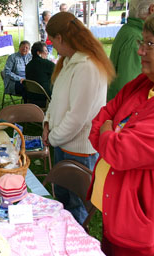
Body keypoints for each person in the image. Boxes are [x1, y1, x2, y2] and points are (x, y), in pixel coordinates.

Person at [88, 14, 154, 256]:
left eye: (150, 44)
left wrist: (109, 129)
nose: (141, 52)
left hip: (136, 227)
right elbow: (101, 117)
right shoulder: (141, 83)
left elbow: (119, 151)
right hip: (114, 210)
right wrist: (110, 131)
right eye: (142, 43)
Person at [42, 12, 115, 225]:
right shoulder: (69, 61)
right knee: (63, 202)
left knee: (76, 207)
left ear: (61, 38)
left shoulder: (87, 66)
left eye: (52, 40)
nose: (52, 46)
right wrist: (47, 123)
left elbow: (77, 117)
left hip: (78, 150)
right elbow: (56, 100)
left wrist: (53, 137)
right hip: (62, 143)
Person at [107, 0, 154, 101]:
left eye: (149, 43)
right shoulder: (134, 37)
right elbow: (128, 87)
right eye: (148, 43)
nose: (141, 51)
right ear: (152, 9)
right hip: (122, 110)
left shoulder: (129, 30)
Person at [25, 41, 55, 108]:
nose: (47, 53)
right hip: (45, 97)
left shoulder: (28, 65)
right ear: (38, 53)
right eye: (45, 51)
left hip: (31, 97)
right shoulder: (48, 64)